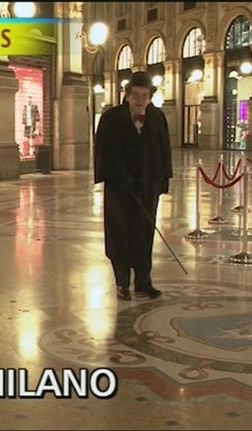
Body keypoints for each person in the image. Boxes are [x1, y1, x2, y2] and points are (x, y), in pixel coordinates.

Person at [94, 72, 173, 301]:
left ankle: (143, 282)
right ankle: (122, 283)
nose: (140, 100)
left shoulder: (157, 117)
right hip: (119, 188)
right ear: (127, 95)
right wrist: (114, 177)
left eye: (144, 96)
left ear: (150, 97)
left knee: (144, 234)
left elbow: (164, 150)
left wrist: (162, 181)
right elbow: (102, 151)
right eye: (136, 95)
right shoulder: (110, 118)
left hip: (148, 187)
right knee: (119, 234)